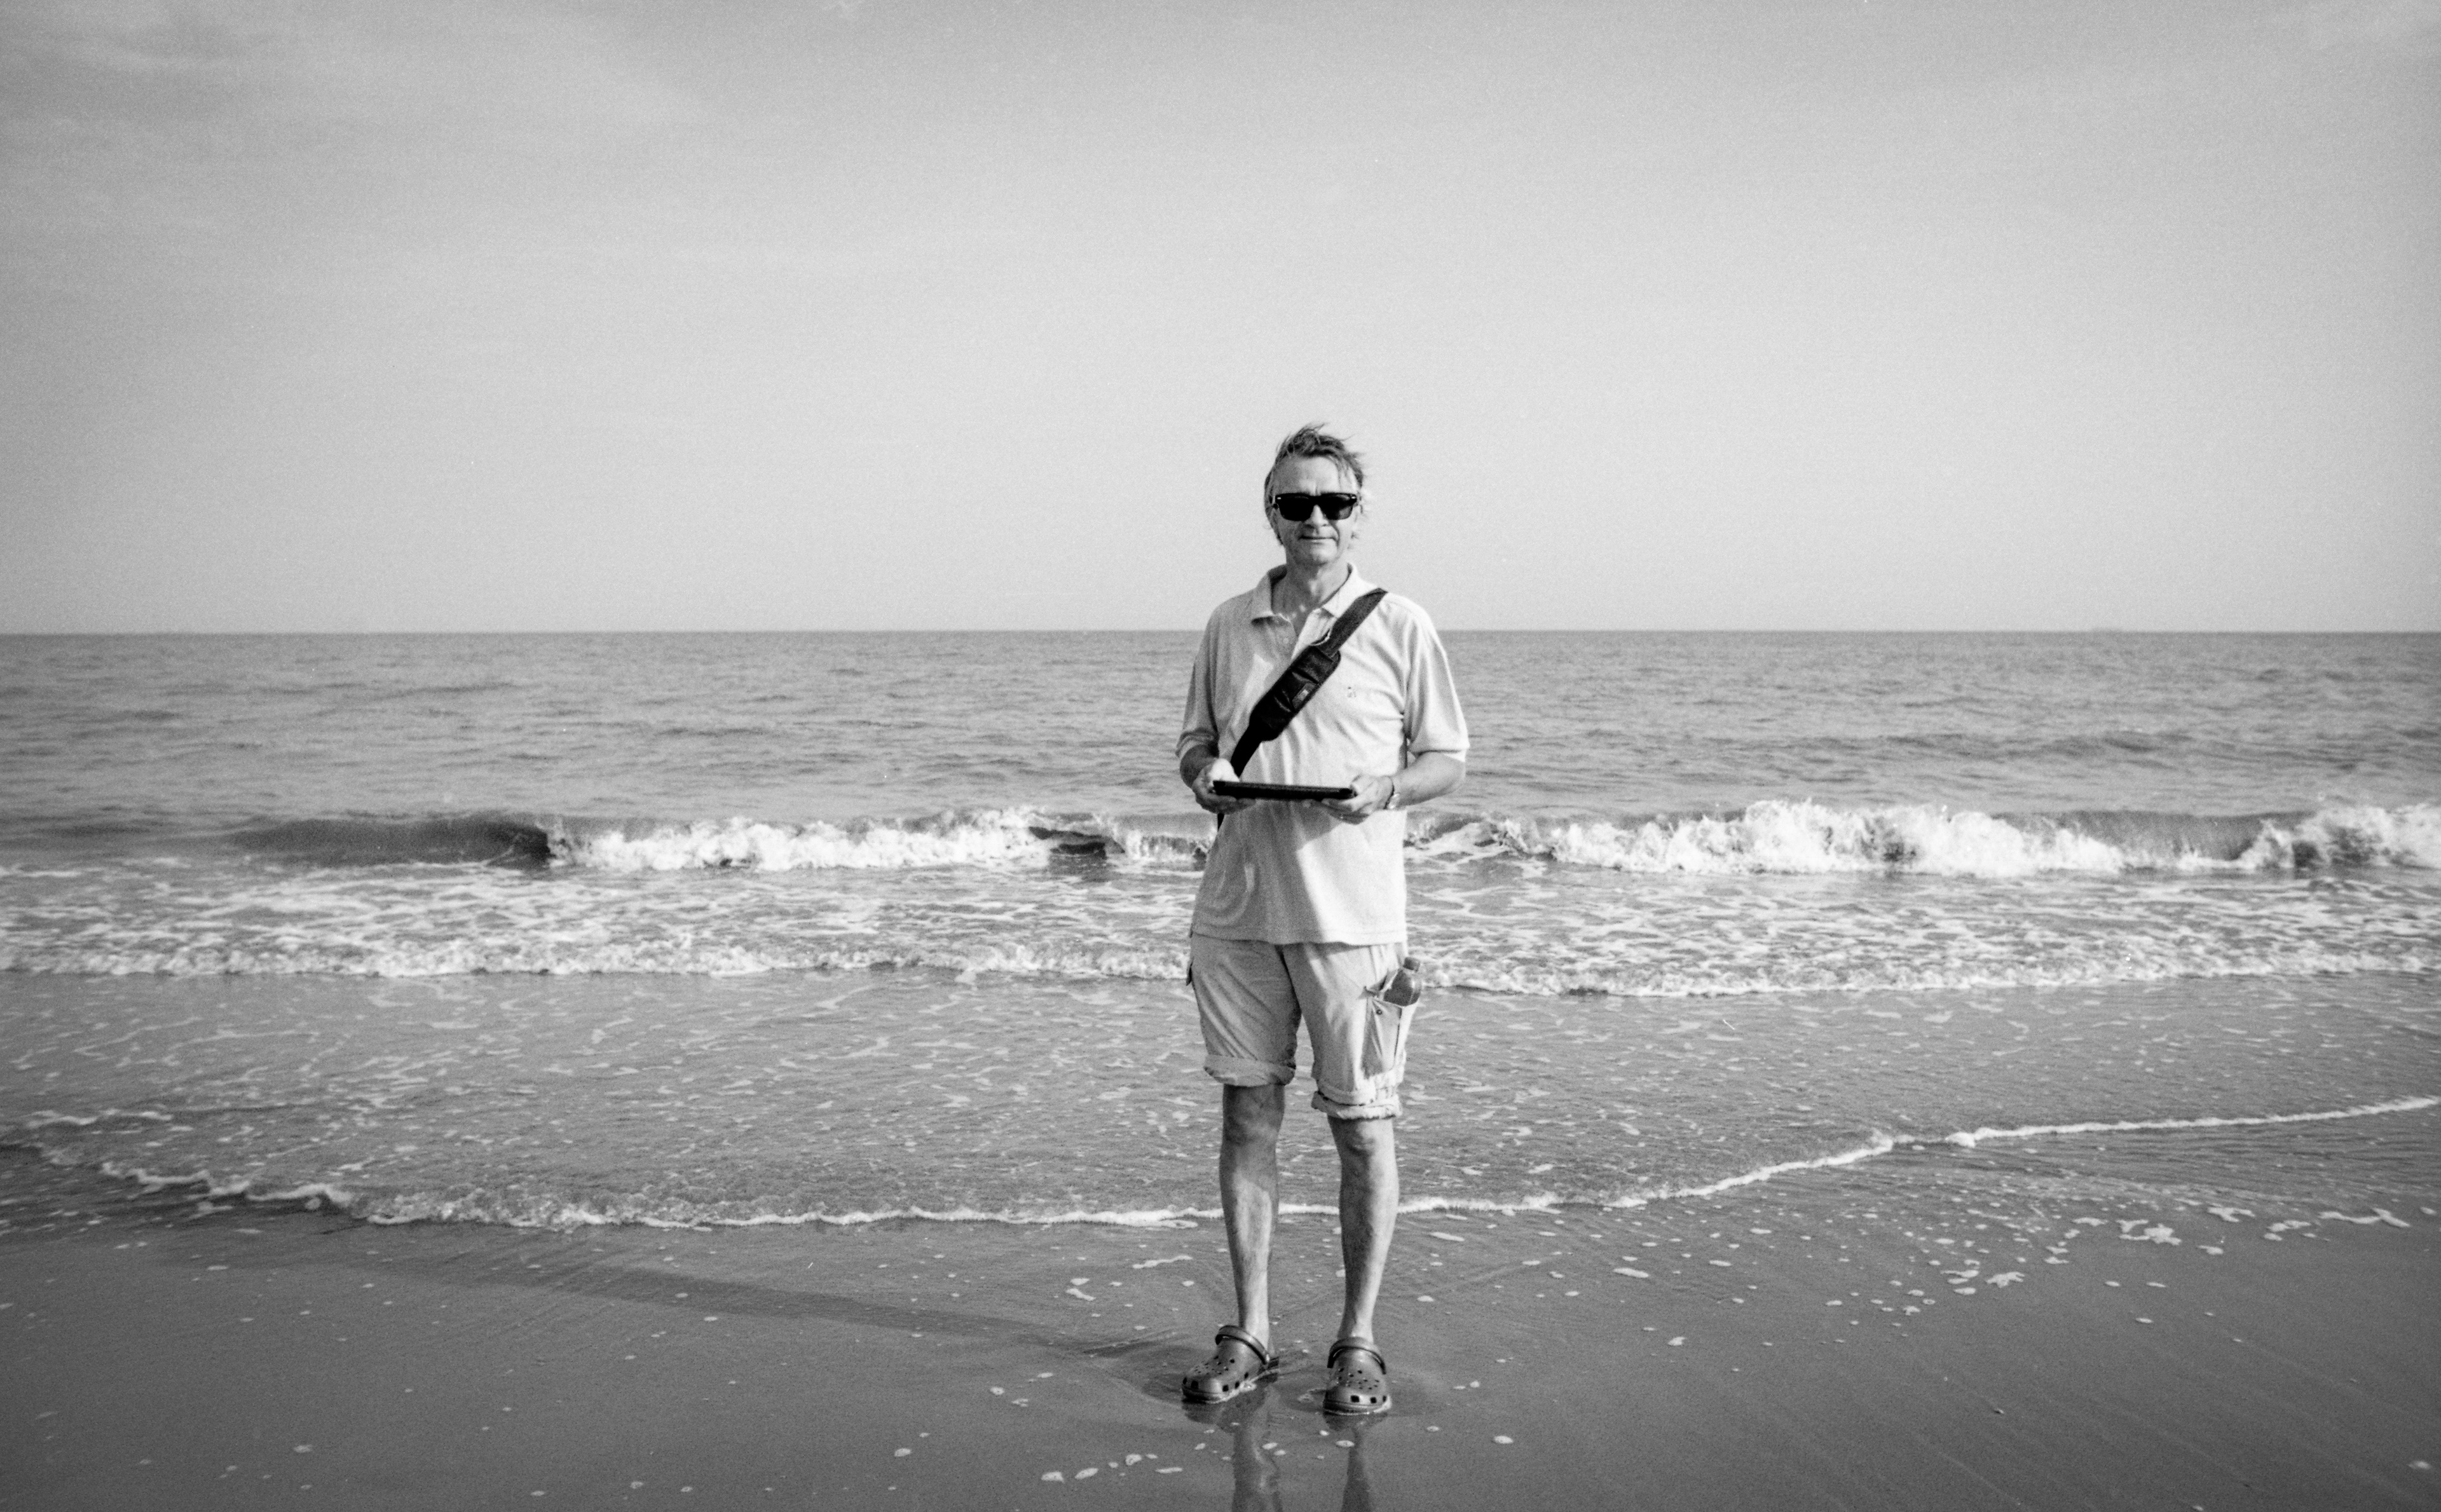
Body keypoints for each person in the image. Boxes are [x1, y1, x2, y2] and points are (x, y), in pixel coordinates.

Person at [1175, 424, 1468, 1415]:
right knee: (1247, 1118)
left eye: (1333, 504)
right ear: (1270, 509)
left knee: (1363, 1131)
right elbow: (1195, 748)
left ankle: (1358, 1343)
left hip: (1358, 926)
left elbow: (1446, 759)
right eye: (1295, 503)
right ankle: (1251, 1332)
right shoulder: (1226, 623)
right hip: (1238, 916)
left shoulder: (1402, 625)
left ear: (1357, 514)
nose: (1315, 521)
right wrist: (1204, 780)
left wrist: (1385, 791)